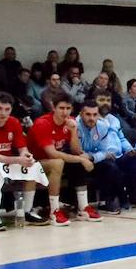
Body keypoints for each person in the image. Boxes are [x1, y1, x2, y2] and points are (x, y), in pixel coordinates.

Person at [0, 92, 46, 227]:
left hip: (7, 161)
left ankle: (27, 211)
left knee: (33, 165)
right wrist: (17, 160)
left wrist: (26, 156)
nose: (3, 113)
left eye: (7, 109)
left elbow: (22, 148)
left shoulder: (14, 122)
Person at [29, 92, 96, 226]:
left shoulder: (70, 122)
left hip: (55, 161)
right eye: (61, 108)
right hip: (35, 163)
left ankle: (83, 207)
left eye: (68, 108)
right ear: (53, 108)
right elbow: (52, 153)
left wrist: (73, 131)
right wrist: (82, 159)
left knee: (78, 161)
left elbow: (76, 151)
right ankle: (54, 210)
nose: (65, 112)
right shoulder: (43, 123)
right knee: (60, 162)